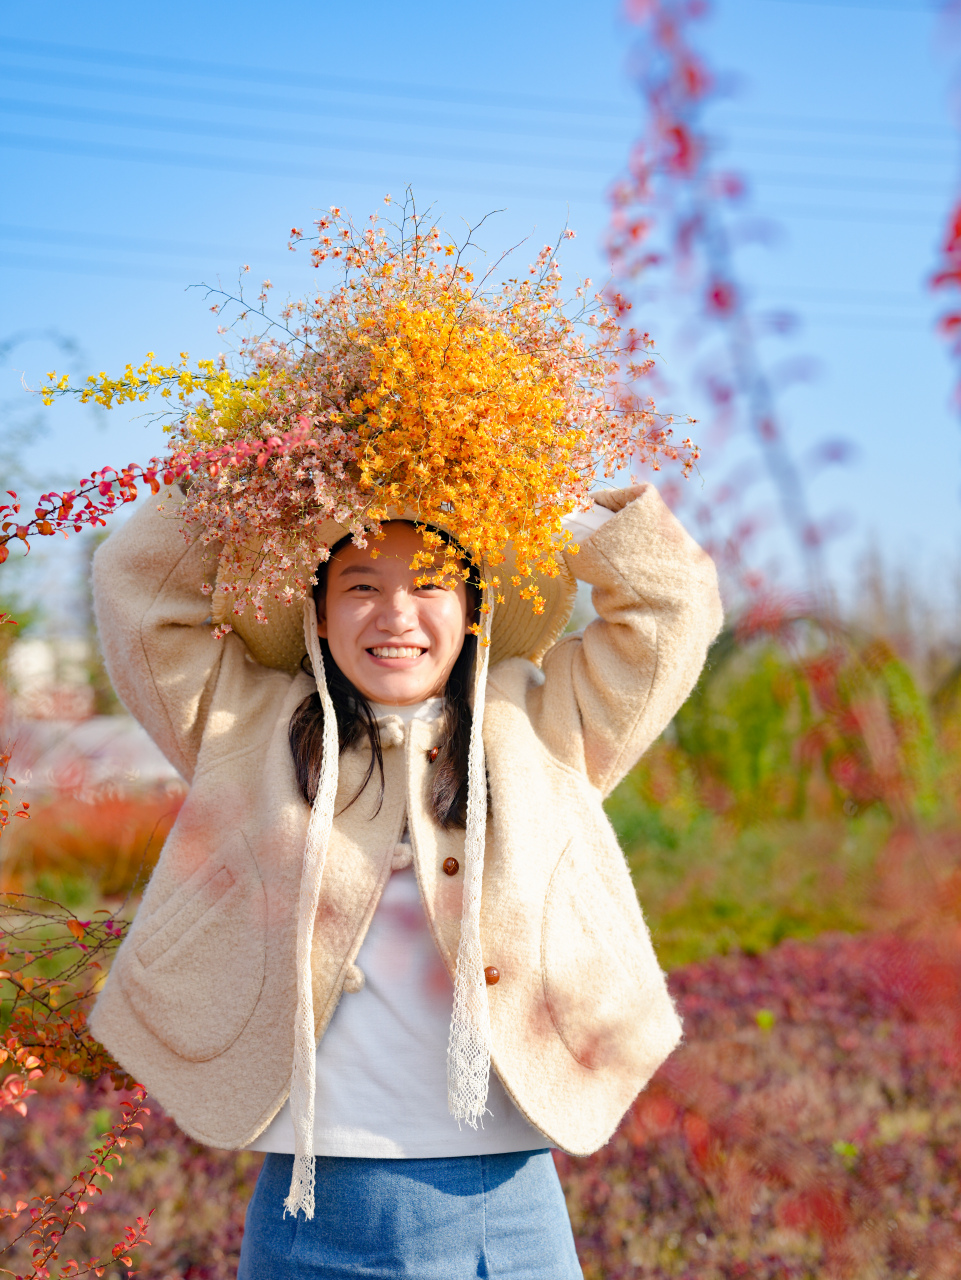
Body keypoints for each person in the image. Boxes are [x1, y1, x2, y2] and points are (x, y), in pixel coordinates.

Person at [89, 478, 722, 1278]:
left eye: (429, 585)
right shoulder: (247, 726)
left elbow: (670, 610)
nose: (395, 614)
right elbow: (139, 596)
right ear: (318, 612)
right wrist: (242, 481)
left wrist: (561, 503)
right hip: (308, 1207)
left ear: (473, 608)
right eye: (360, 587)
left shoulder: (545, 723)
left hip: (505, 1207)